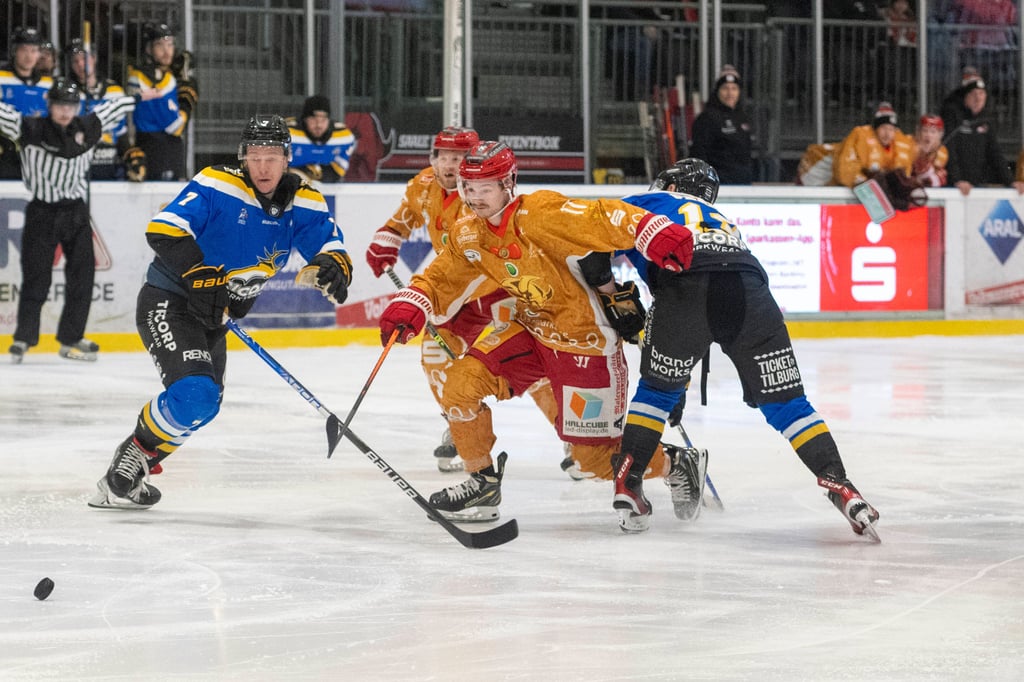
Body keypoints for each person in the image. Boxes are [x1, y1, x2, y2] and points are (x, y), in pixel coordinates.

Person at [377, 140, 701, 523]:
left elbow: (603, 216)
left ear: (508, 183)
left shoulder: (541, 213)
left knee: (594, 460)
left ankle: (677, 464)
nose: (474, 198)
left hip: (585, 341)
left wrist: (651, 230)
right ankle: (482, 483)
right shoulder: (469, 233)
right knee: (459, 386)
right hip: (528, 331)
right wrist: (412, 302)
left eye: (485, 188)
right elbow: (442, 276)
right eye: (468, 188)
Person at [88, 114, 353, 509]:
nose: (263, 166)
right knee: (196, 394)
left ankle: (139, 461)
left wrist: (334, 264)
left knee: (205, 405)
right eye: (255, 155)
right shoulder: (218, 183)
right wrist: (198, 272)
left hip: (216, 315)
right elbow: (164, 229)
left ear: (287, 158)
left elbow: (330, 244)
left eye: (273, 156)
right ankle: (130, 459)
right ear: (243, 156)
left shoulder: (304, 200)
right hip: (170, 300)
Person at [613, 157, 880, 540]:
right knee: (788, 404)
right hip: (749, 290)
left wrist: (615, 300)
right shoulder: (721, 219)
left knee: (655, 392)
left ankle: (628, 482)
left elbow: (592, 253)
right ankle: (842, 485)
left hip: (684, 288)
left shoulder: (645, 200)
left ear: (669, 186)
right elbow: (716, 285)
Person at [365, 126, 572, 474]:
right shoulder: (424, 186)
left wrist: (431, 298)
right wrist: (388, 237)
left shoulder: (480, 198)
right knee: (434, 357)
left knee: (529, 371)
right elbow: (405, 216)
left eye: (458, 158)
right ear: (433, 159)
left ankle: (573, 435)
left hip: (497, 295)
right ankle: (460, 426)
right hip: (454, 299)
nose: (450, 164)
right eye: (444, 156)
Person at [0, 78, 140, 363]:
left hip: (75, 212)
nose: (65, 111)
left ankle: (72, 337)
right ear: (49, 106)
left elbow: (113, 108)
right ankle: (24, 338)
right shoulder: (30, 128)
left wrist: (137, 96)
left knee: (83, 276)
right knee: (36, 277)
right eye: (60, 105)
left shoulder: (88, 126)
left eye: (71, 105)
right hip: (42, 211)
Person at [126, 22, 197, 181]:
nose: (167, 51)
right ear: (148, 49)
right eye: (160, 45)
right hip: (152, 151)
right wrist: (185, 105)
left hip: (169, 151)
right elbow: (175, 126)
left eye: (170, 44)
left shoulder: (168, 77)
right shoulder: (142, 77)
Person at [65, 38, 140, 181]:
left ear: (94, 58)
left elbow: (121, 132)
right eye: (75, 61)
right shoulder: (68, 94)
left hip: (110, 165)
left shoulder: (115, 91)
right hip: (78, 168)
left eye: (84, 58)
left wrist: (130, 155)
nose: (81, 64)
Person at [942, 76, 1024, 195]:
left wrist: (1010, 181)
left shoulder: (986, 120)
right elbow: (949, 150)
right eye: (974, 94)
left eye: (981, 93)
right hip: (955, 187)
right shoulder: (952, 116)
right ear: (966, 97)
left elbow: (995, 153)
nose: (978, 98)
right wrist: (957, 180)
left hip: (978, 185)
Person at [0, 27, 53, 179]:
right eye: (24, 49)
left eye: (34, 50)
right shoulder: (1, 77)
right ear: (15, 51)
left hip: (39, 156)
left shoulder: (48, 83)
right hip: (6, 156)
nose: (29, 56)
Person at [689, 65, 755, 185]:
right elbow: (699, 155)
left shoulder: (743, 117)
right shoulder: (706, 118)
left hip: (743, 185)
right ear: (717, 91)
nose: (730, 93)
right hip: (719, 185)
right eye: (725, 88)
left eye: (734, 88)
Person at [831, 102, 915, 188]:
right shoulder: (859, 136)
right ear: (875, 129)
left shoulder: (899, 143)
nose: (887, 134)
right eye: (883, 128)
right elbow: (846, 171)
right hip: (824, 173)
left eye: (891, 129)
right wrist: (868, 184)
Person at [286, 94, 356, 184]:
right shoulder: (286, 133)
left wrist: (314, 176)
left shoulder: (344, 137)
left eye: (323, 119)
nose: (319, 125)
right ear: (304, 119)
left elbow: (337, 170)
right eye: (313, 119)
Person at [911, 114, 948, 188]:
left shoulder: (942, 152)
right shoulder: (909, 145)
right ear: (918, 132)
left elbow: (939, 177)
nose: (928, 135)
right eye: (925, 130)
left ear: (939, 135)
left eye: (933, 132)